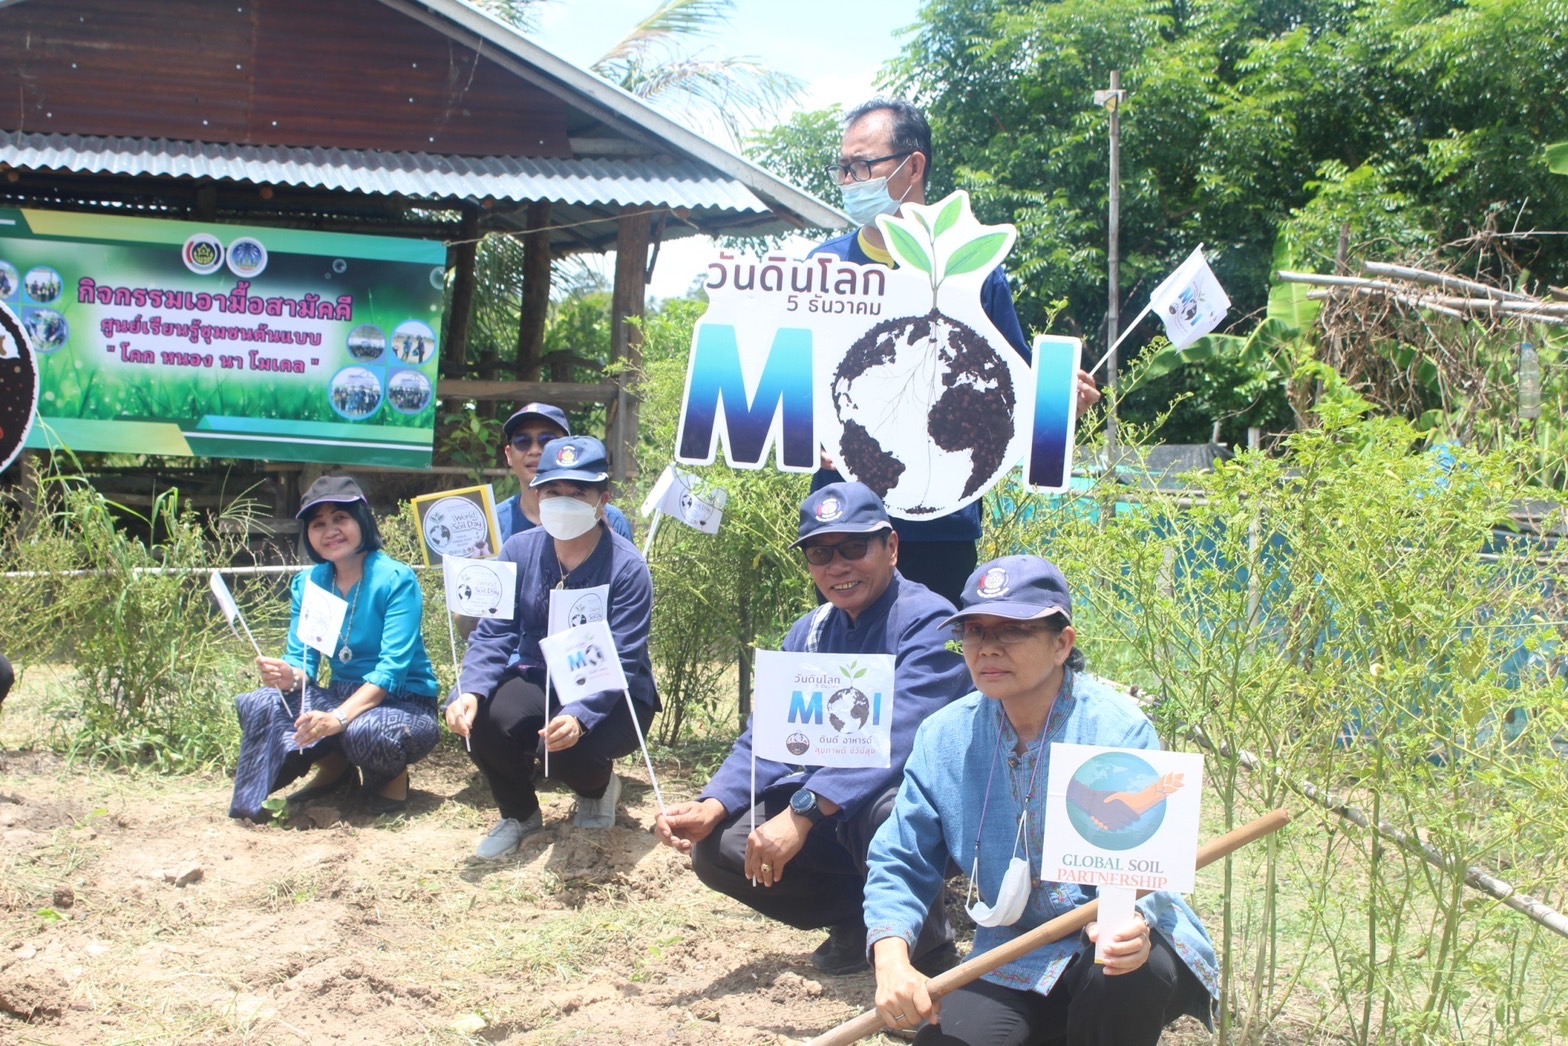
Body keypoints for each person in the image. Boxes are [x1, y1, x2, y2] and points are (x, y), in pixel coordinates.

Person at [864, 555, 1217, 1043]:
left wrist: (1129, 923)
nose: (988, 648)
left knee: (1117, 975)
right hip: (1014, 955)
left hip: (1116, 945)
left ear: (1062, 644)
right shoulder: (944, 737)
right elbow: (901, 855)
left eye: (1011, 630)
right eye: (975, 632)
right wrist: (891, 957)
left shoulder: (1116, 729)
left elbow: (1144, 865)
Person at [655, 482, 971, 975]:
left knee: (885, 811)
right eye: (821, 553)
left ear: (891, 547)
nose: (837, 566)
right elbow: (771, 735)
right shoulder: (810, 631)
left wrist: (803, 811)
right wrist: (712, 803)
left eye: (853, 547)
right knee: (720, 845)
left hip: (917, 803)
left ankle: (926, 960)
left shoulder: (930, 622)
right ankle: (859, 922)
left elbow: (900, 740)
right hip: (832, 805)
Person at [811, 98, 1101, 606]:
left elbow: (1010, 392)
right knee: (849, 677)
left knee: (937, 675)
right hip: (842, 524)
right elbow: (790, 384)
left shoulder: (976, 272)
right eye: (843, 168)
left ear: (913, 166)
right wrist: (803, 431)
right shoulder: (822, 268)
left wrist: (1056, 406)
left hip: (939, 527)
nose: (850, 181)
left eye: (863, 166)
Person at [446, 435, 658, 859]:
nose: (564, 501)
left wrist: (579, 715)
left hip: (614, 689)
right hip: (540, 676)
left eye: (579, 492)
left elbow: (622, 653)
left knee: (565, 746)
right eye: (553, 491)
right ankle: (518, 814)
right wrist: (469, 689)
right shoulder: (519, 550)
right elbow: (495, 631)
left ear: (603, 500)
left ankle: (598, 790)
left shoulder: (628, 567)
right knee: (484, 716)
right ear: (538, 494)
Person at [229, 476, 441, 821]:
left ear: (361, 520)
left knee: (367, 731)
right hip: (340, 695)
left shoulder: (395, 579)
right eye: (318, 524)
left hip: (402, 701)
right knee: (261, 701)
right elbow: (303, 659)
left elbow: (392, 670)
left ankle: (392, 777)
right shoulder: (310, 582)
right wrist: (288, 675)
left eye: (340, 518)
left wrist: (339, 717)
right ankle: (335, 769)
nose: (330, 531)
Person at [495, 402, 634, 542]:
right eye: (522, 441)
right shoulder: (492, 523)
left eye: (547, 440)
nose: (535, 450)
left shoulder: (612, 520)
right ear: (509, 455)